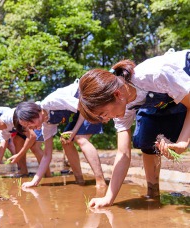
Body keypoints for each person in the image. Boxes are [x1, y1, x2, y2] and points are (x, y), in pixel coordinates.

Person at [78, 49, 190, 208]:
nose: (105, 120)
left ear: (117, 94)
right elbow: (123, 153)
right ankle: (153, 193)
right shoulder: (123, 103)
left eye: (104, 113)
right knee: (145, 139)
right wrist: (108, 198)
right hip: (161, 98)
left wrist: (182, 143)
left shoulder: (156, 75)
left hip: (185, 74)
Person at [10, 80, 106, 188]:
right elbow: (47, 155)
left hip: (88, 100)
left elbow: (84, 108)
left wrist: (74, 132)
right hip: (79, 111)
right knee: (65, 141)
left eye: (29, 123)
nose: (30, 128)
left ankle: (100, 181)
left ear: (35, 112)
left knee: (80, 138)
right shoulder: (47, 124)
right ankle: (79, 180)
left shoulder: (52, 102)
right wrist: (34, 181)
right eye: (27, 127)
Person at [0, 108, 51, 179]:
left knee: (35, 147)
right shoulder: (3, 132)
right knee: (17, 141)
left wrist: (19, 155)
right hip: (25, 126)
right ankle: (23, 172)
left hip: (37, 120)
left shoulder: (10, 118)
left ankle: (47, 175)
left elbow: (32, 136)